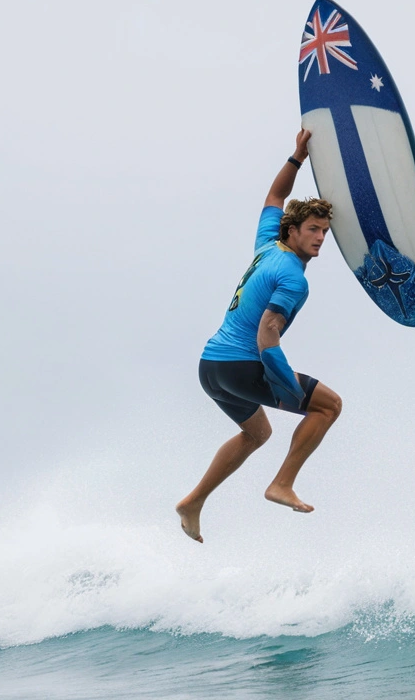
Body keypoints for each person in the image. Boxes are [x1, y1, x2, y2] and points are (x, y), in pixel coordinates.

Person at [176, 129, 343, 543]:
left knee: (259, 433)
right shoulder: (292, 277)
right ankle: (281, 483)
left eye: (324, 230)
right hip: (241, 365)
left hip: (210, 367)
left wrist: (296, 157)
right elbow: (268, 332)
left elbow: (274, 199)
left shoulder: (267, 246)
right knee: (328, 407)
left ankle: (192, 502)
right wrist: (283, 383)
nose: (321, 238)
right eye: (313, 229)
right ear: (294, 231)